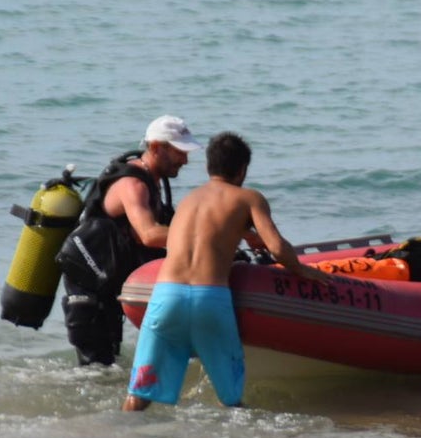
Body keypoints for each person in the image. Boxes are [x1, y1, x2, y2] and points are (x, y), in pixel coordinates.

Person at [122, 132, 331, 411]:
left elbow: (203, 233)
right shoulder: (249, 198)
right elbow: (277, 247)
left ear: (209, 167)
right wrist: (302, 271)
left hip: (166, 295)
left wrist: (242, 233)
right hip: (210, 299)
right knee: (231, 402)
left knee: (139, 395)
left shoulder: (189, 200)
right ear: (242, 169)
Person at [56, 115, 202, 366]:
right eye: (180, 152)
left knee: (106, 364)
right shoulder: (133, 184)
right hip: (88, 287)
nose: (185, 160)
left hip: (105, 284)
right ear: (156, 147)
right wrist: (205, 238)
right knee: (96, 368)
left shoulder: (150, 181)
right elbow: (149, 234)